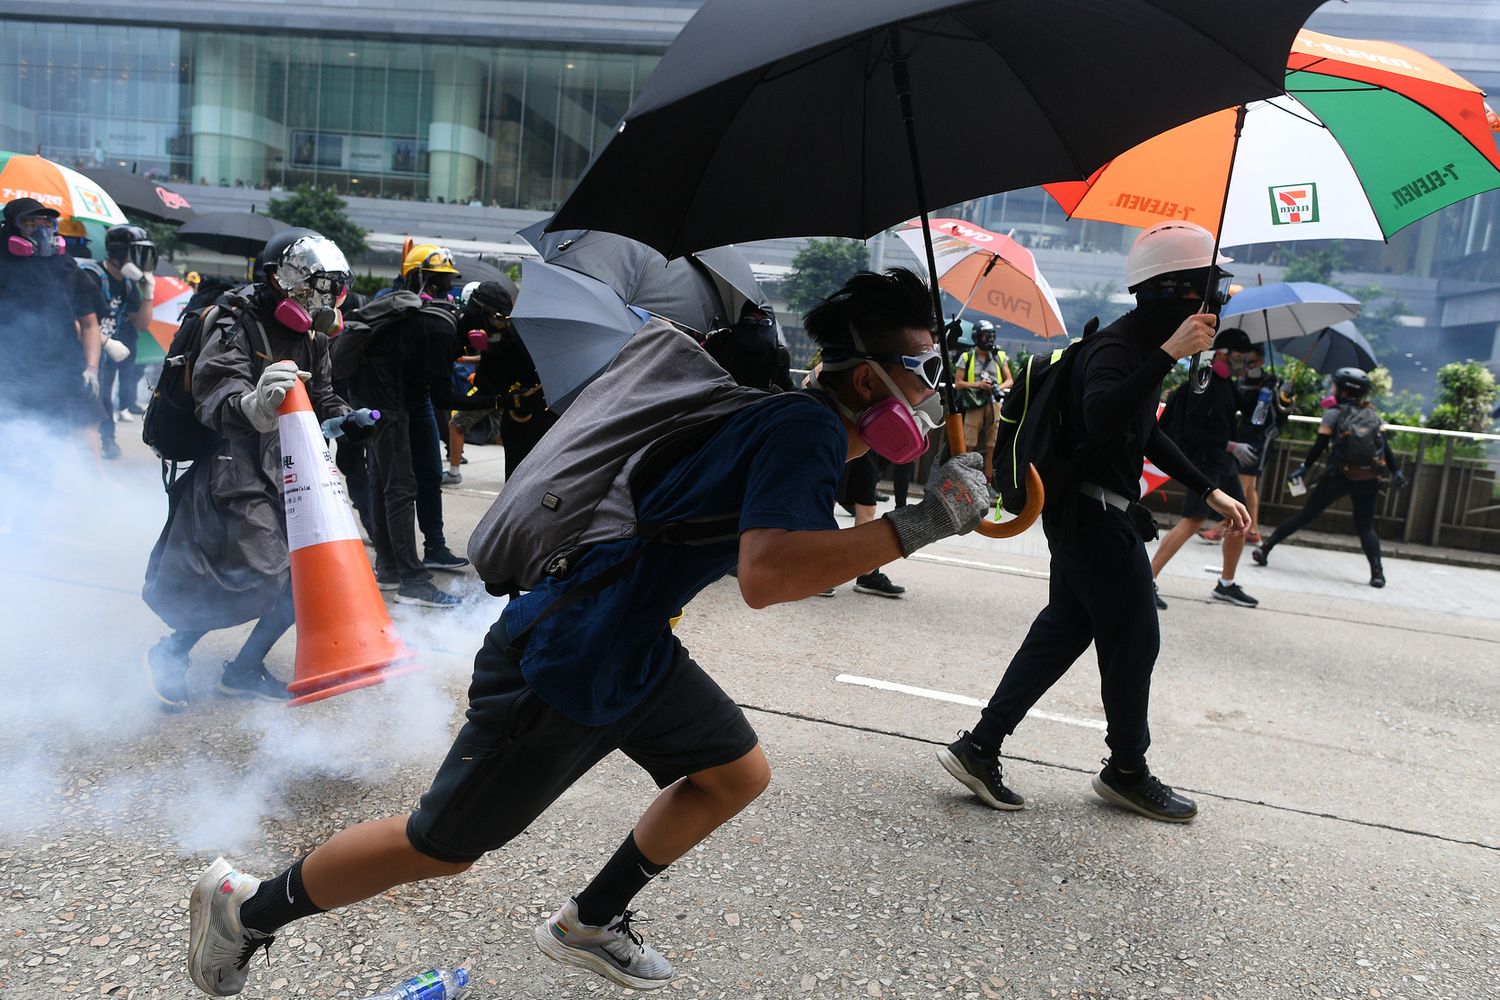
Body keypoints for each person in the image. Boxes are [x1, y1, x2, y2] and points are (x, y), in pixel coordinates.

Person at [183, 268, 991, 997]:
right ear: (866, 378)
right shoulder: (802, 430)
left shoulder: (796, 423)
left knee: (732, 773)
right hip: (570, 655)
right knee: (444, 846)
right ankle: (248, 910)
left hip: (631, 645)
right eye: (921, 372)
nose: (929, 393)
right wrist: (920, 527)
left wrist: (918, 506)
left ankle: (589, 922)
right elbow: (770, 576)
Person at [937, 221, 1250, 824]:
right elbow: (1103, 413)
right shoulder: (1119, 349)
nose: (1218, 304)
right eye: (1211, 290)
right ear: (1174, 292)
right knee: (1135, 639)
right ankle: (1126, 770)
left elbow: (1143, 429)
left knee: (1062, 631)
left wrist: (1206, 488)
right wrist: (1168, 353)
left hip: (1089, 515)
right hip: (1095, 518)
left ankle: (980, 746)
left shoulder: (1131, 348)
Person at [141, 230, 372, 707]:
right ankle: (169, 653)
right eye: (313, 287)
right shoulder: (231, 322)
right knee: (256, 575)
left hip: (294, 469)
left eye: (329, 289)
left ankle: (243, 669)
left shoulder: (310, 331)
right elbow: (216, 397)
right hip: (234, 468)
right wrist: (255, 403)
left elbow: (321, 395)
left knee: (303, 578)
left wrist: (347, 419)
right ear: (279, 280)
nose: (321, 300)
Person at [348, 243, 495, 606]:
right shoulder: (432, 321)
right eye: (437, 283)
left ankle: (390, 568)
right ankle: (412, 581)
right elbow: (445, 397)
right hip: (385, 401)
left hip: (394, 398)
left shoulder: (431, 318)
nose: (445, 292)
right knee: (398, 486)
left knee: (390, 482)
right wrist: (492, 401)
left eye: (447, 285)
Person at [1252, 366, 1403, 588]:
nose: (1332, 389)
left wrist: (1304, 467)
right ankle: (1377, 574)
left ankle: (1265, 549)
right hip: (1368, 478)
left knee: (1306, 515)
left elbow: (1319, 446)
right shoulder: (1373, 415)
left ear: (1343, 390)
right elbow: (1385, 448)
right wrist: (1396, 471)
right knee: (1365, 527)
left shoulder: (1334, 414)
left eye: (1335, 385)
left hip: (1338, 476)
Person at [1147, 327, 1259, 609]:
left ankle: (1226, 584)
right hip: (1203, 461)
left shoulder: (1226, 382)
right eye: (1237, 356)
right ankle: (1146, 581)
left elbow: (1246, 409)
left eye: (1245, 358)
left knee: (1239, 520)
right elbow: (1190, 430)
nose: (1240, 362)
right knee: (1193, 520)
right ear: (1222, 353)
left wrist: (1267, 387)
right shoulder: (1204, 381)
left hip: (1224, 463)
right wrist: (1229, 445)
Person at [0, 198, 102, 434]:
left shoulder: (67, 268)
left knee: (52, 441)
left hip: (59, 373)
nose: (41, 231)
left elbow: (89, 323)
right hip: (9, 374)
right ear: (12, 229)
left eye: (46, 223)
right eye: (30, 223)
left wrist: (91, 368)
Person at [92, 225, 157, 459]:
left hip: (107, 355)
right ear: (119, 253)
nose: (141, 260)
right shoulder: (93, 276)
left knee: (105, 396)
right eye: (136, 252)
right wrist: (105, 341)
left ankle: (107, 439)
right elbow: (79, 320)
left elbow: (141, 323)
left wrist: (148, 292)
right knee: (91, 399)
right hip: (86, 352)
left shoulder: (129, 286)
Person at [953, 320, 1004, 485]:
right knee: (968, 444)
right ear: (977, 337)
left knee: (992, 445)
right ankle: (964, 480)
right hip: (974, 404)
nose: (989, 340)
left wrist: (997, 387)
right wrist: (978, 385)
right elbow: (958, 383)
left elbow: (1010, 380)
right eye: (985, 336)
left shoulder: (999, 357)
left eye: (991, 336)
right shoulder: (967, 357)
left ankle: (987, 482)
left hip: (994, 404)